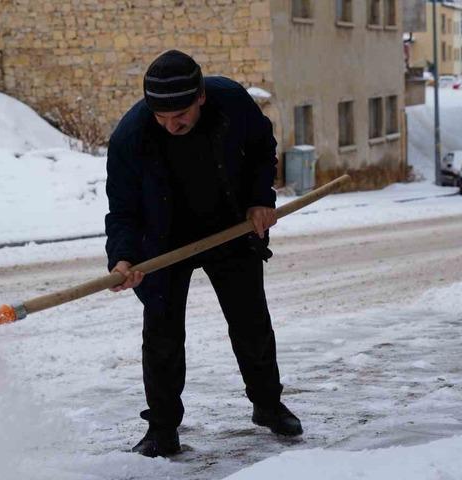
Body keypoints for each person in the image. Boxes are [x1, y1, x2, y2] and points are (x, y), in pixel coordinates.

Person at [105, 50, 302, 458]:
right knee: (161, 335)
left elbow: (263, 148)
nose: (170, 125)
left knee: (250, 322)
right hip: (161, 242)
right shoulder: (131, 136)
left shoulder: (231, 101)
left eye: (178, 115)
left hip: (229, 227)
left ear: (200, 98)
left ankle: (268, 405)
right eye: (160, 116)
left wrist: (260, 199)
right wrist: (123, 258)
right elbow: (122, 209)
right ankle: (162, 429)